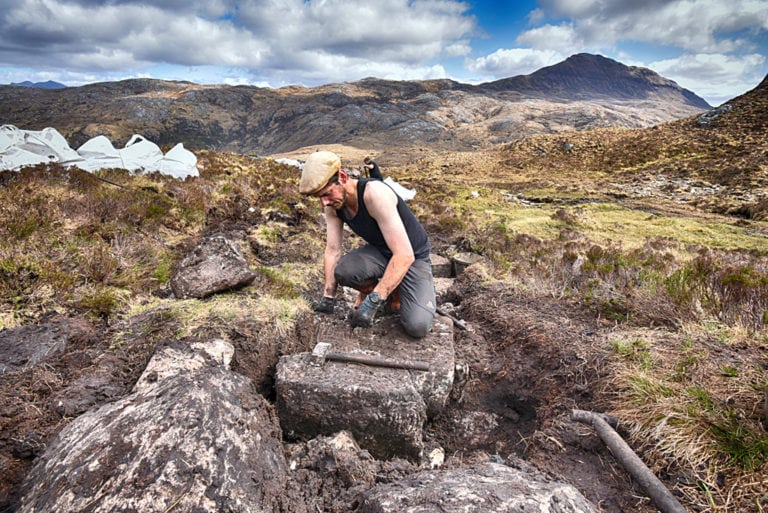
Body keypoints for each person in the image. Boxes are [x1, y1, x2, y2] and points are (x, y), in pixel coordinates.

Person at [300, 150, 435, 338]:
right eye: (319, 198)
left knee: (417, 326)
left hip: (412, 256)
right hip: (381, 252)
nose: (324, 203)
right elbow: (332, 250)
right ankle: (391, 290)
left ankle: (396, 292)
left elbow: (405, 255)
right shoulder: (334, 205)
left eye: (327, 194)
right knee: (344, 271)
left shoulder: (374, 194)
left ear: (342, 176)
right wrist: (328, 297)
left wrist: (373, 301)